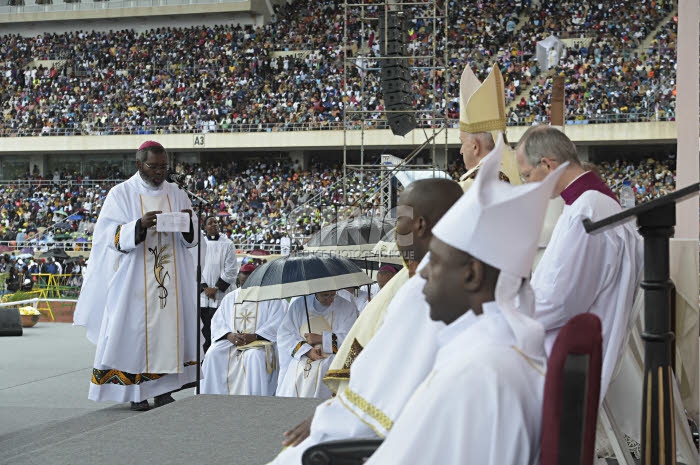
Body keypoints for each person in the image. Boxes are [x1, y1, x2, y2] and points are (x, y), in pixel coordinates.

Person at [362, 134, 566, 465]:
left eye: (437, 262)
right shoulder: (501, 349)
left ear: (472, 274)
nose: (424, 274)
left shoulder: (476, 369)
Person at [269, 179, 463, 465]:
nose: (396, 231)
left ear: (420, 225)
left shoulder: (421, 286)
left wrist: (328, 415)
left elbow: (384, 370)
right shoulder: (438, 273)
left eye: (400, 220)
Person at [515, 125, 643, 398]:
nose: (527, 184)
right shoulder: (592, 202)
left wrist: (512, 317)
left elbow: (563, 300)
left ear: (548, 165)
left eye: (526, 175)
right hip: (579, 329)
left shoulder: (588, 209)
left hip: (571, 345)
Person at [74, 140, 199, 411]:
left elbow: (192, 238)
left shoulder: (177, 193)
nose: (159, 173)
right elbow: (107, 236)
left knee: (169, 333)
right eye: (153, 167)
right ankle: (136, 392)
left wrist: (189, 225)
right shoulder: (121, 194)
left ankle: (165, 389)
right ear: (139, 165)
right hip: (134, 281)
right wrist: (138, 226)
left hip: (170, 280)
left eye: (163, 167)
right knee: (134, 335)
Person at [201, 264, 287, 396]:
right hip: (232, 342)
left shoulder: (271, 297)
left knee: (254, 357)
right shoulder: (231, 297)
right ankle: (210, 396)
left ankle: (254, 398)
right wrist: (229, 335)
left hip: (260, 344)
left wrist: (255, 336)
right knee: (213, 353)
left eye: (248, 283)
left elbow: (278, 322)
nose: (244, 287)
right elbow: (218, 322)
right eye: (242, 283)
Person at [275, 291, 357, 400]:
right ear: (317, 292)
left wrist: (322, 338)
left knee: (321, 368)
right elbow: (285, 335)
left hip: (333, 356)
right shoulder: (300, 304)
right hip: (303, 354)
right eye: (325, 295)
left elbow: (351, 339)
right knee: (298, 368)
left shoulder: (346, 307)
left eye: (332, 295)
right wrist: (307, 351)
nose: (330, 299)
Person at [457, 63, 521, 191]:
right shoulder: (524, 172)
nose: (461, 151)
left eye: (462, 142)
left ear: (476, 146)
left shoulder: (468, 187)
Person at [199, 215, 238, 353]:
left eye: (216, 222)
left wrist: (215, 288)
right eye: (210, 223)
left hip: (220, 295)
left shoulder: (228, 244)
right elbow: (194, 267)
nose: (214, 224)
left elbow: (231, 270)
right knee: (204, 333)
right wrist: (205, 288)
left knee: (220, 330)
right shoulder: (200, 244)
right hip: (203, 297)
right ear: (205, 227)